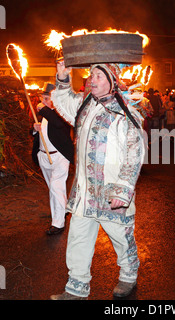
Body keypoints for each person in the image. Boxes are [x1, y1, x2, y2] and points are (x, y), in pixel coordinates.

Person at [49, 61, 145, 300]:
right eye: (91, 75)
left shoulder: (125, 113)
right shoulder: (86, 106)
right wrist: (62, 78)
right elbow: (63, 103)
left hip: (111, 193)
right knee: (78, 238)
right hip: (84, 193)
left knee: (121, 239)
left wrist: (122, 191)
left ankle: (129, 274)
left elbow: (134, 154)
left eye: (99, 76)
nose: (92, 79)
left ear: (112, 81)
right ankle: (76, 287)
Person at [32, 82, 74, 235]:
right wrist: (34, 130)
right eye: (42, 98)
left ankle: (58, 224)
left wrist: (43, 110)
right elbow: (38, 134)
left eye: (47, 98)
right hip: (43, 156)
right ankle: (62, 209)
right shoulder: (43, 114)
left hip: (59, 157)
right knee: (54, 189)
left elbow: (57, 124)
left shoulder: (62, 114)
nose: (43, 101)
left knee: (56, 187)